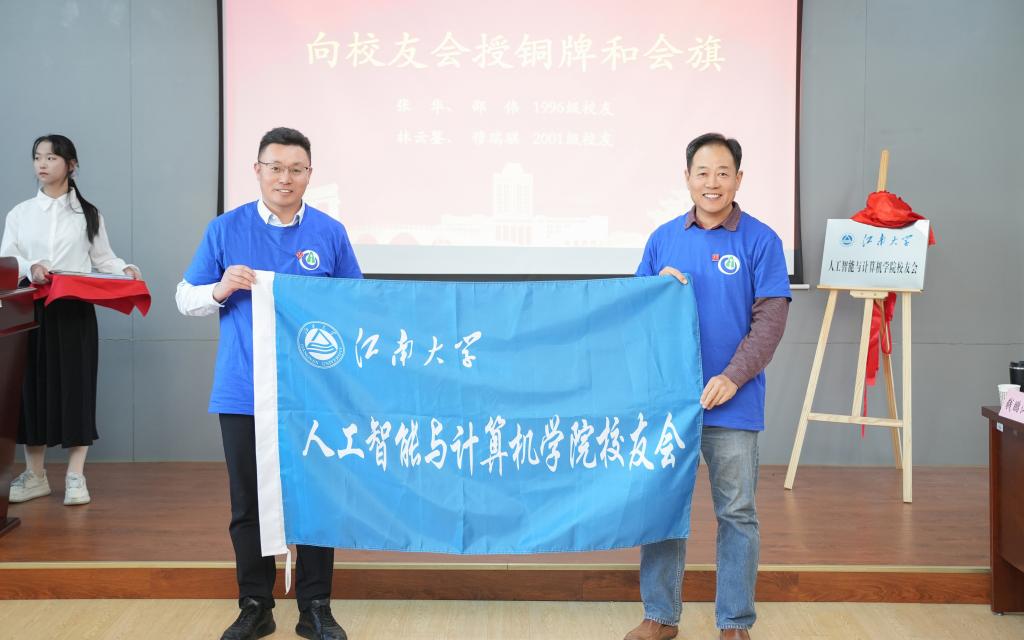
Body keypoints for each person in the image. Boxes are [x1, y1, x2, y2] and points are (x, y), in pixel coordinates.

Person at [176, 127, 360, 640]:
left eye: (296, 169)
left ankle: (315, 607)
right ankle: (255, 605)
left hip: (313, 393)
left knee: (316, 499)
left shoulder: (329, 232)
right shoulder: (225, 229)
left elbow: (354, 306)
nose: (285, 177)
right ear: (257, 171)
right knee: (248, 504)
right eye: (275, 167)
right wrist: (220, 288)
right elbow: (184, 297)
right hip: (243, 388)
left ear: (309, 175)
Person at [626, 133, 791, 640]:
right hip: (670, 403)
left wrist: (731, 377)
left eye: (723, 172)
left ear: (738, 179)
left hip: (733, 403)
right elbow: (634, 314)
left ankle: (734, 622)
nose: (712, 182)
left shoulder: (762, 240)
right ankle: (660, 616)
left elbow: (770, 322)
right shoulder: (663, 239)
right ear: (687, 178)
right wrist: (655, 290)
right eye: (702, 172)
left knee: (737, 513)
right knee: (662, 510)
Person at [2, 134, 141, 507]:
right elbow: (8, 259)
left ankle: (76, 476)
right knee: (32, 388)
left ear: (71, 164)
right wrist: (31, 267)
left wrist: (125, 269)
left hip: (75, 310)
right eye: (37, 157)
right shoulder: (20, 214)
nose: (42, 164)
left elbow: (104, 259)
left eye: (51, 157)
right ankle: (35, 475)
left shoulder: (88, 214)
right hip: (30, 310)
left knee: (76, 387)